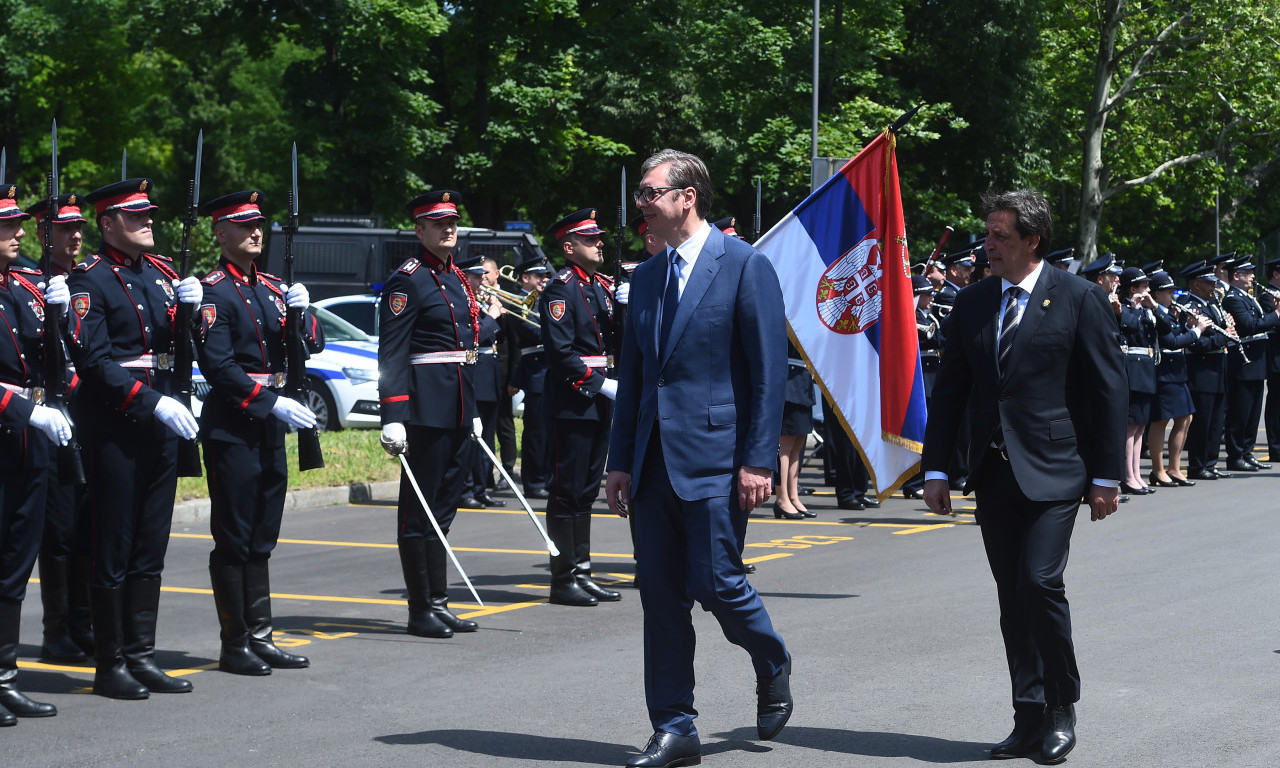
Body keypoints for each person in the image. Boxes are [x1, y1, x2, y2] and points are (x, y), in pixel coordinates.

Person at [922, 189, 1126, 764]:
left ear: (1032, 241)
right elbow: (951, 391)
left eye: (1000, 236)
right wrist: (936, 468)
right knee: (1012, 597)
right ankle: (1028, 716)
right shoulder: (973, 302)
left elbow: (1108, 390)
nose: (988, 246)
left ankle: (1062, 706)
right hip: (993, 471)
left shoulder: (1079, 297)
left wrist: (1107, 476)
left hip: (1057, 468)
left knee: (1039, 583)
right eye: (987, 234)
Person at [605, 149, 792, 768]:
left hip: (718, 460)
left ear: (687, 197)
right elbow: (635, 379)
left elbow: (767, 375)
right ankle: (674, 727)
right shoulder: (647, 276)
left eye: (650, 192)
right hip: (653, 461)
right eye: (640, 193)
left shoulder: (744, 265)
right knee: (660, 597)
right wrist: (620, 460)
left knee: (717, 583)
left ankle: (770, 657)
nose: (641, 203)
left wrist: (758, 460)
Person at [69, 178, 203, 699]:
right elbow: (95, 362)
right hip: (116, 428)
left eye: (149, 214)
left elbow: (179, 346)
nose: (148, 221)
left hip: (160, 429)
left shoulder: (163, 274)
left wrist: (192, 312)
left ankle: (141, 654)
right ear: (108, 224)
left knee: (150, 545)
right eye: (135, 215)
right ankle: (110, 663)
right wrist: (152, 402)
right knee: (114, 546)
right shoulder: (91, 280)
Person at [194, 190, 322, 676]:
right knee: (234, 536)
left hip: (269, 428)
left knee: (263, 536)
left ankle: (261, 636)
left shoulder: (271, 287)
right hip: (233, 427)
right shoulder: (213, 291)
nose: (255, 232)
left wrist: (304, 314)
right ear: (220, 233)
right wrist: (270, 403)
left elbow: (310, 344)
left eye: (259, 224)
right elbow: (220, 366)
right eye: (243, 225)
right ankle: (235, 643)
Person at [377, 189, 492, 639]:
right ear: (419, 229)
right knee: (417, 512)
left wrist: (473, 409)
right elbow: (393, 352)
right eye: (438, 223)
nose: (448, 229)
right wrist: (393, 414)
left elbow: (465, 349)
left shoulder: (457, 278)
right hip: (425, 410)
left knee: (442, 509)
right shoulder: (408, 280)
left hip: (458, 406)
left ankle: (439, 602)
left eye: (452, 222)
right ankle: (420, 608)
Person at [0, 185, 74, 725]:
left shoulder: (27, 285)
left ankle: (4, 678)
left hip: (29, 444)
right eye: (8, 225)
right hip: (11, 431)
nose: (21, 232)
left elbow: (56, 360)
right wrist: (27, 411)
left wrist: (61, 317)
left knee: (14, 568)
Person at [539, 208, 621, 607]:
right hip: (573, 401)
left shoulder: (602, 286)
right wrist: (600, 384)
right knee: (566, 492)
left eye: (598, 237)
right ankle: (562, 578)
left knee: (586, 492)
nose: (599, 243)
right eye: (590, 239)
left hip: (599, 402)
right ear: (569, 247)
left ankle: (582, 571)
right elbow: (560, 354)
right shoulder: (561, 289)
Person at [26, 193, 94, 664]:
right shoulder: (31, 282)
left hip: (93, 416)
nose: (75, 235)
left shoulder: (89, 279)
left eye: (78, 227)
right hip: (52, 418)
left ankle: (83, 624)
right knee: (60, 531)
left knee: (88, 528)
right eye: (64, 228)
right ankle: (57, 631)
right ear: (42, 233)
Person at [1147, 270, 1208, 486]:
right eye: (1168, 291)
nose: (1172, 295)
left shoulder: (1169, 312)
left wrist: (1188, 325)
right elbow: (1171, 342)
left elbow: (1177, 334)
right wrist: (1197, 331)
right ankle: (1158, 469)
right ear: (1156, 293)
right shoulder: (1155, 313)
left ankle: (1174, 467)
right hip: (1164, 372)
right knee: (1161, 420)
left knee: (1185, 418)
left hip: (1177, 371)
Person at [1178, 262, 1236, 480]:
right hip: (1202, 369)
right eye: (1209, 283)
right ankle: (1198, 465)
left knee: (1216, 420)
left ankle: (1210, 462)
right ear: (1196, 285)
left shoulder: (1212, 304)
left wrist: (1227, 331)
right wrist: (1224, 336)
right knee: (1203, 420)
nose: (1214, 287)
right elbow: (1197, 343)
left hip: (1218, 367)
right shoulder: (1190, 306)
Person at [1219, 257, 1279, 471]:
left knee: (1253, 413)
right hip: (1244, 363)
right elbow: (1248, 325)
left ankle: (1247, 451)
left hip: (1257, 361)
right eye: (1248, 273)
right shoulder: (1232, 298)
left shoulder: (1248, 297)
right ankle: (1236, 455)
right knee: (1240, 412)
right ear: (1236, 275)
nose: (1253, 276)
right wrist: (1277, 314)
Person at [458, 255, 506, 508]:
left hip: (490, 376)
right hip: (475, 374)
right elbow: (474, 337)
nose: (482, 280)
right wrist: (492, 315)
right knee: (470, 438)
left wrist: (496, 311)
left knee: (487, 437)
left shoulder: (480, 301)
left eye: (482, 275)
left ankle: (480, 488)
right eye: (477, 276)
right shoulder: (462, 302)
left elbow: (501, 337)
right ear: (465, 277)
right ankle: (466, 489)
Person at [508, 255, 553, 499]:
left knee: (551, 431)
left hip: (551, 369)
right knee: (537, 432)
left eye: (545, 276)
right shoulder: (518, 301)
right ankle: (534, 482)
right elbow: (531, 331)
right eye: (539, 276)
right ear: (525, 278)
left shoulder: (545, 298)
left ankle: (548, 477)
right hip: (536, 370)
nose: (544, 279)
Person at [1117, 267, 1159, 494]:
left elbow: (1166, 328)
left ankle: (1136, 473)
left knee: (1140, 426)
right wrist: (1134, 306)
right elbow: (1129, 326)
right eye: (1144, 286)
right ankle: (1127, 476)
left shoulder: (1146, 309)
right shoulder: (1124, 308)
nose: (1148, 290)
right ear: (1132, 288)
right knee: (1130, 427)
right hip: (1132, 370)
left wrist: (1155, 308)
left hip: (1146, 370)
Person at [902, 274, 940, 500]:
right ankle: (913, 481)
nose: (931, 298)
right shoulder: (910, 316)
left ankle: (922, 478)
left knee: (930, 434)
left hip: (932, 377)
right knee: (918, 433)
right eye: (926, 294)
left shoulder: (929, 316)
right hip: (920, 377)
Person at [774, 342, 815, 518]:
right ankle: (782, 498)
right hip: (789, 381)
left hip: (803, 382)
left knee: (797, 445)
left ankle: (793, 496)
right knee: (785, 446)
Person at [1258, 259, 1280, 462]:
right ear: (1276, 274)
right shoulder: (1268, 296)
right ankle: (1276, 447)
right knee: (1276, 404)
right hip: (1276, 358)